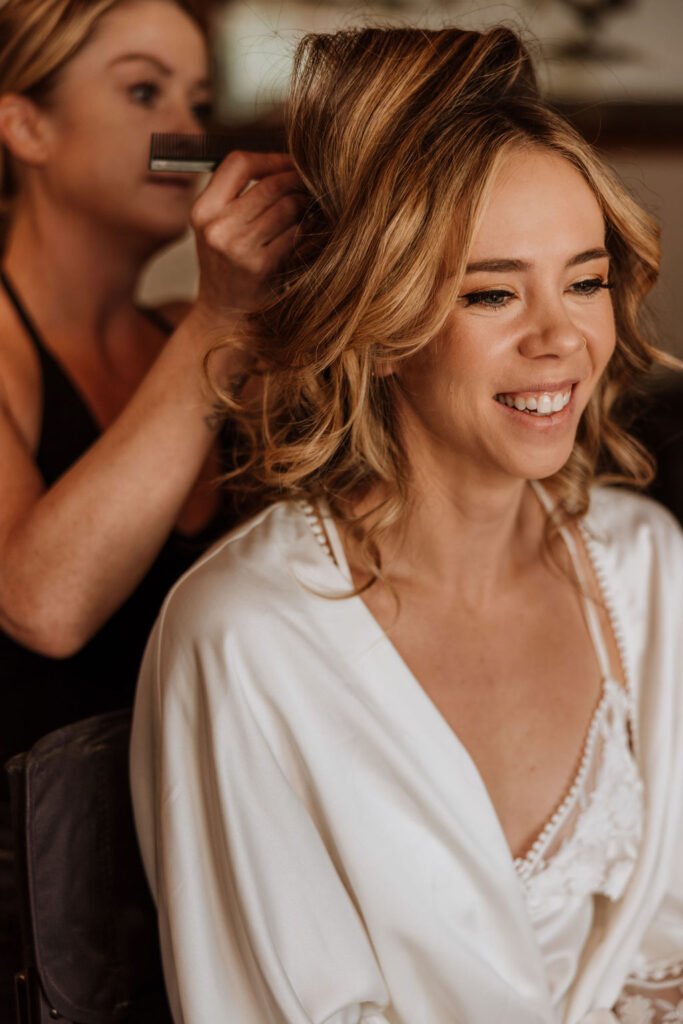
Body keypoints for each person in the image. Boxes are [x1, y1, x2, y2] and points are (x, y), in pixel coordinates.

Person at [131, 25, 683, 1024]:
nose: (559, 338)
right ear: (378, 324)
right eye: (490, 291)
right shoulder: (245, 638)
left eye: (585, 278)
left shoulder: (648, 570)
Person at [0, 0, 302, 1010]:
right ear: (24, 125)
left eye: (200, 101)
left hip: (189, 889)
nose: (185, 130)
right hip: (27, 933)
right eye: (142, 91)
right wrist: (220, 317)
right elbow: (42, 603)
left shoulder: (190, 334)